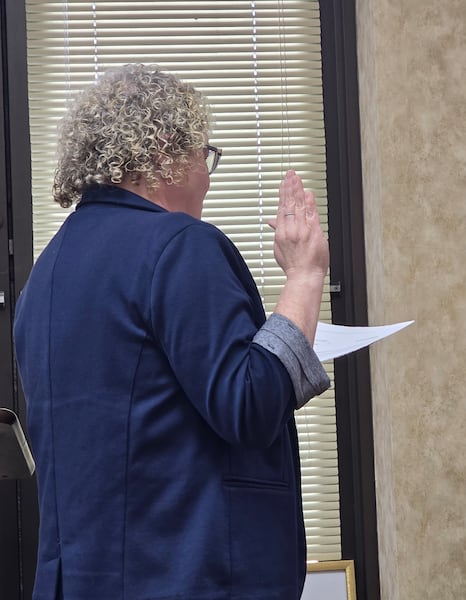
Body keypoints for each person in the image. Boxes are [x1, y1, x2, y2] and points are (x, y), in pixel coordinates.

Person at [13, 64, 331, 599]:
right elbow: (249, 404)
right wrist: (304, 276)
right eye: (204, 156)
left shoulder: (44, 276)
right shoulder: (180, 245)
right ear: (164, 148)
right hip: (187, 576)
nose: (207, 178)